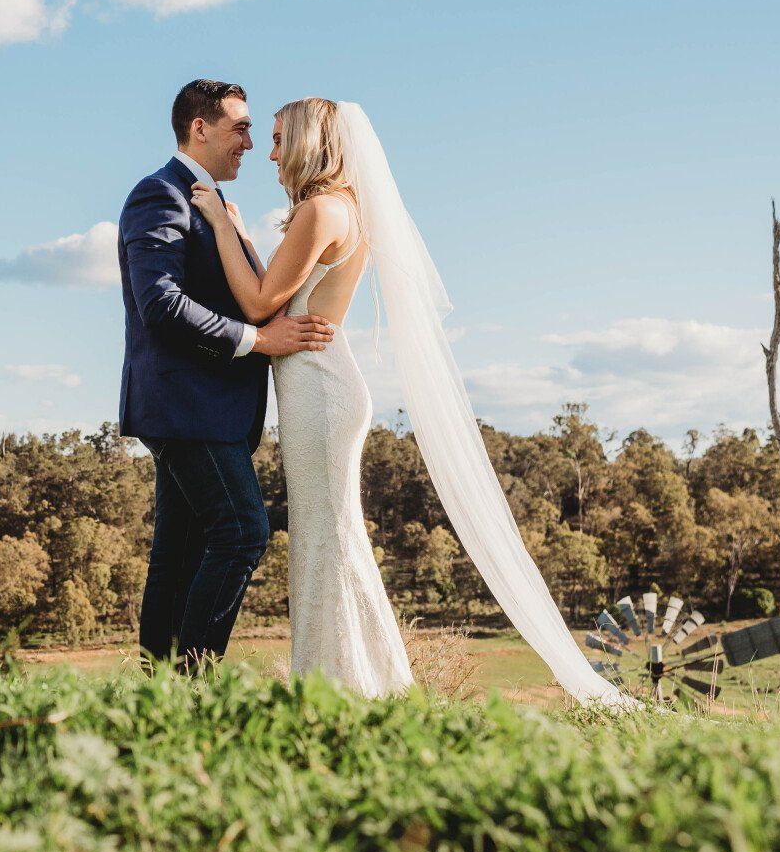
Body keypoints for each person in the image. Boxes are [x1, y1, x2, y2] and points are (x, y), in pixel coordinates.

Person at [190, 96, 634, 707]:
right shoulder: (340, 207)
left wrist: (220, 226)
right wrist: (241, 231)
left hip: (319, 391)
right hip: (318, 385)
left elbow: (261, 304)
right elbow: (285, 295)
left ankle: (346, 688)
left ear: (309, 142)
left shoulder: (321, 209)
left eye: (277, 139)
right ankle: (355, 684)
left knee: (327, 540)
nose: (269, 154)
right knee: (329, 538)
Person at [118, 78, 335, 672]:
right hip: (186, 404)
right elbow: (160, 304)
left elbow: (253, 291)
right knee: (242, 532)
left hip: (212, 408)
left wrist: (234, 231)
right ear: (200, 128)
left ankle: (160, 691)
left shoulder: (212, 203)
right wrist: (259, 341)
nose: (249, 143)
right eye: (240, 128)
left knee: (180, 551)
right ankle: (193, 682)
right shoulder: (159, 194)